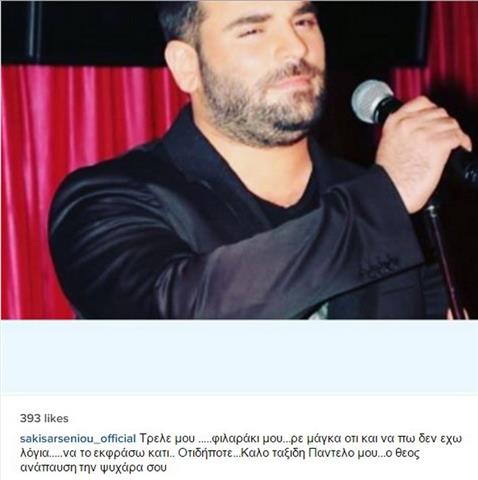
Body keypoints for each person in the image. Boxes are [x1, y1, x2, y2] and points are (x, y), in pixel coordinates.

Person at [49, 1, 472, 319]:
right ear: (186, 66)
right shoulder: (107, 201)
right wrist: (384, 199)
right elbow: (181, 315)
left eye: (303, 21)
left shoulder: (391, 202)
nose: (295, 47)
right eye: (253, 30)